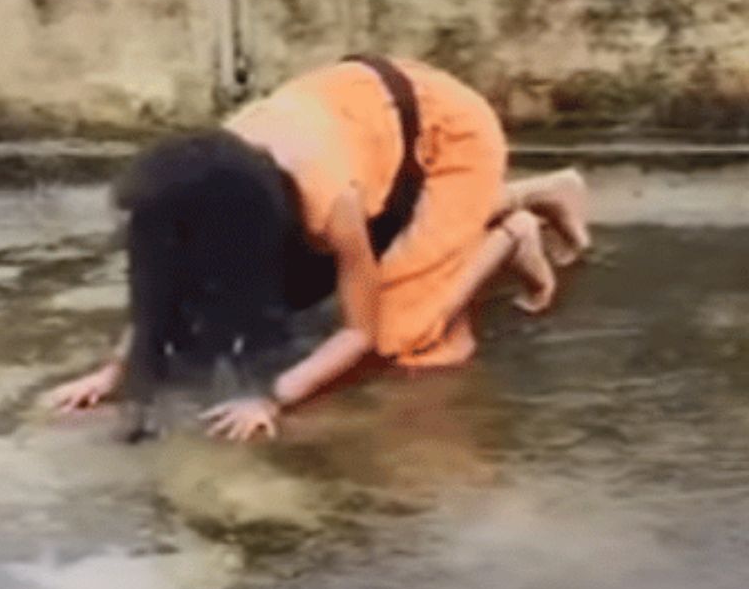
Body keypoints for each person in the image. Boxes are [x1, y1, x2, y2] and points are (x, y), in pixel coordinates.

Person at [46, 55, 589, 442]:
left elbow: (359, 330)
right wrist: (116, 371)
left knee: (405, 334)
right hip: (364, 119)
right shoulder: (199, 178)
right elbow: (162, 284)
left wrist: (274, 397)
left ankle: (511, 231)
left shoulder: (328, 200)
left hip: (450, 133)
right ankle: (528, 193)